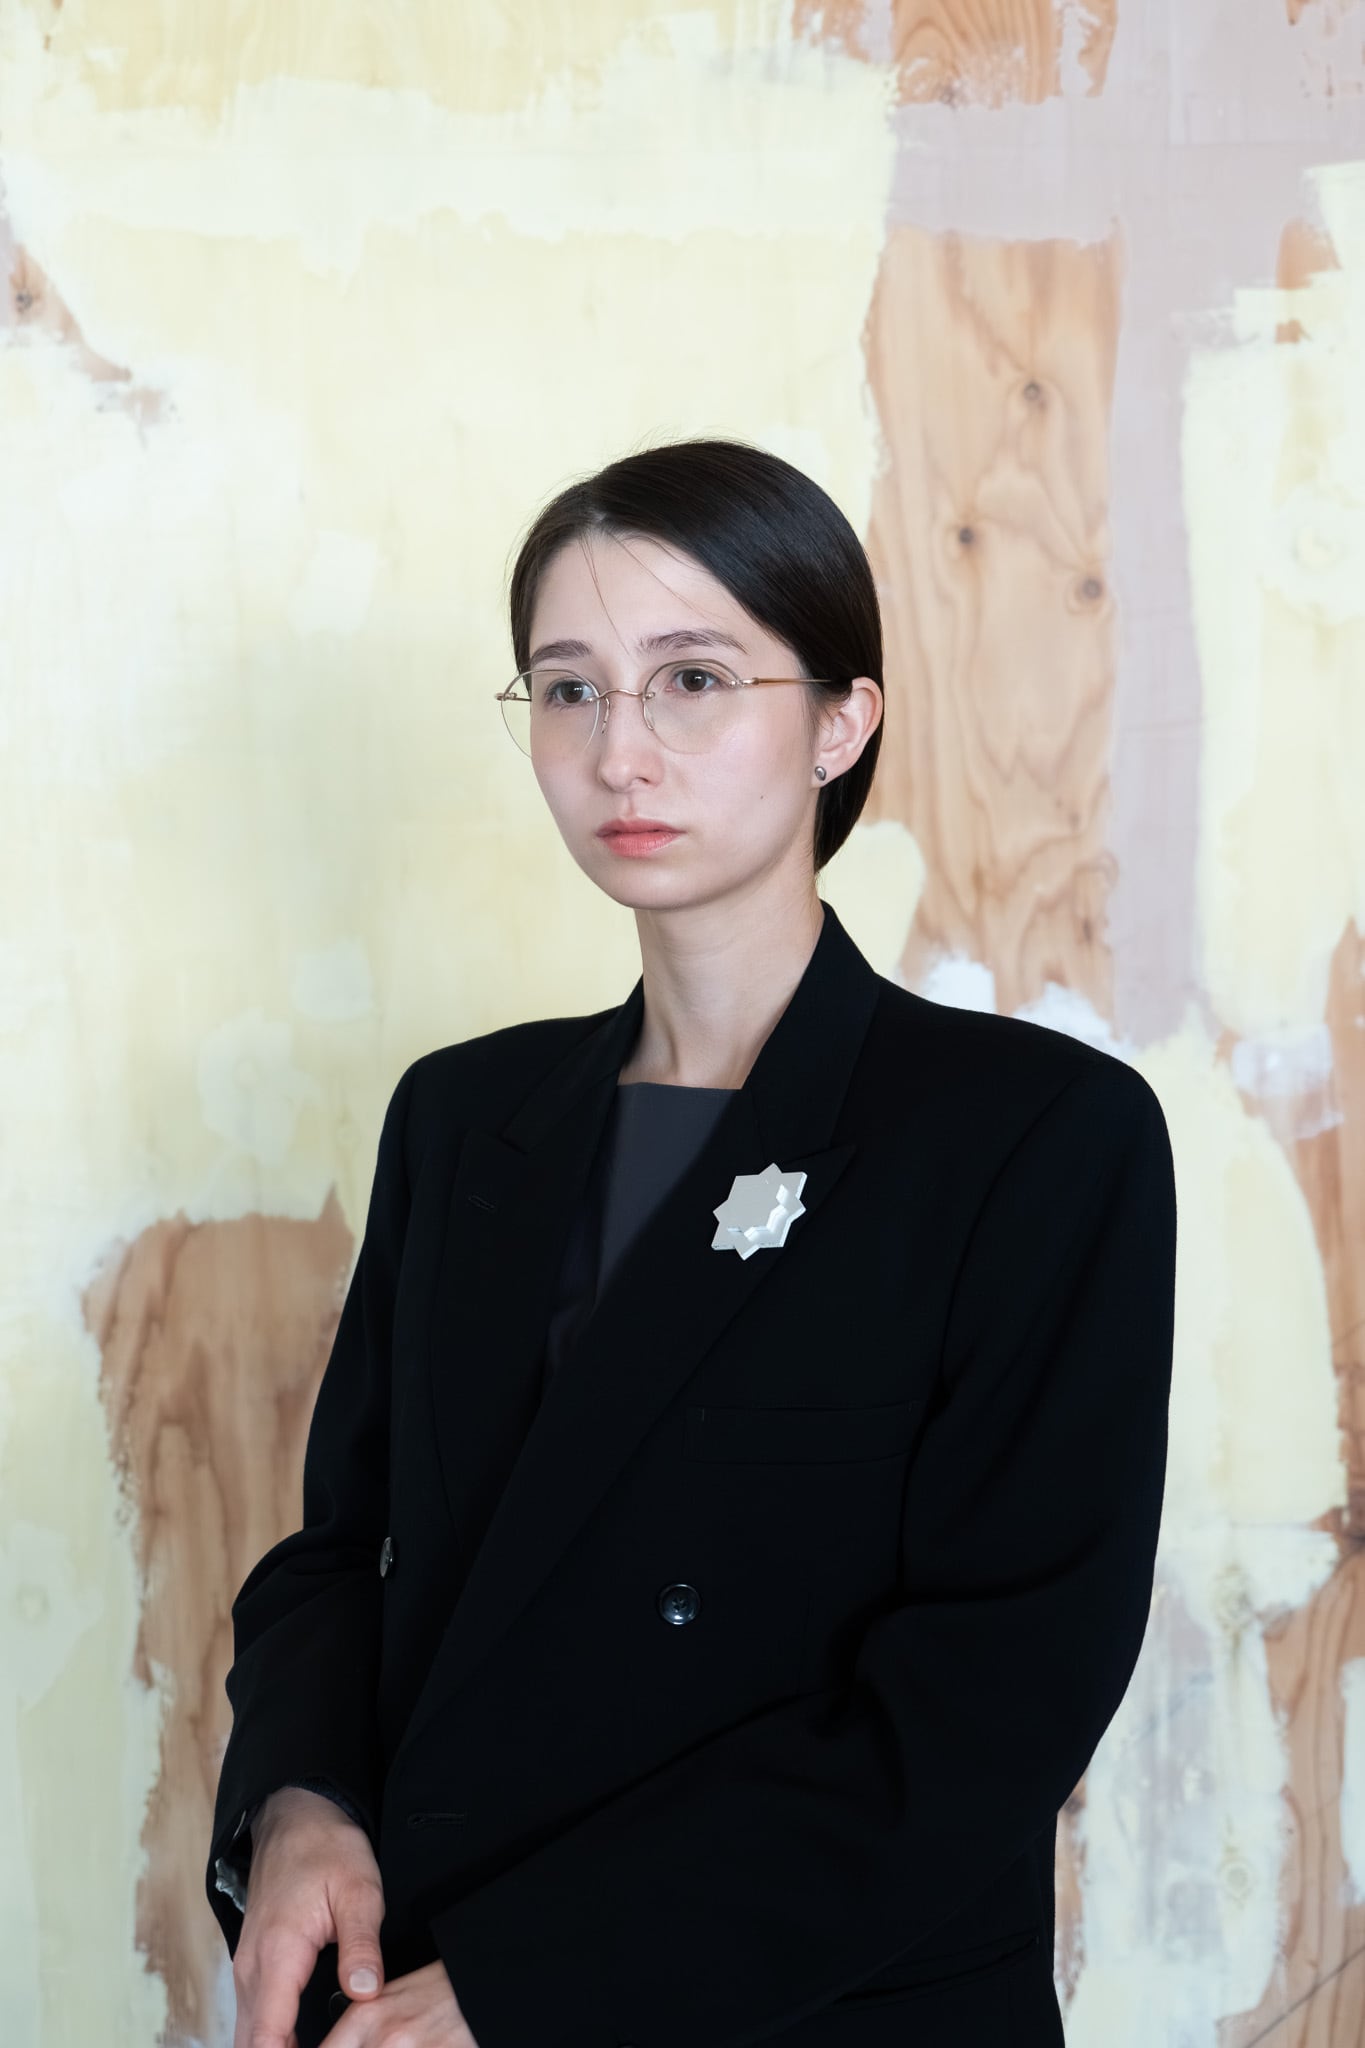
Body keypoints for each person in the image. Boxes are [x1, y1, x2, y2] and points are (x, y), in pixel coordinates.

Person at [206, 437, 1178, 2048]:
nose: (619, 753)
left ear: (840, 722)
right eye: (567, 690)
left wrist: (529, 1988)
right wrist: (298, 1801)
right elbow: (344, 1554)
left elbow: (991, 1694)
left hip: (795, 2008)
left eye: (693, 681)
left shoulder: (1030, 1137)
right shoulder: (465, 1117)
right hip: (413, 1982)